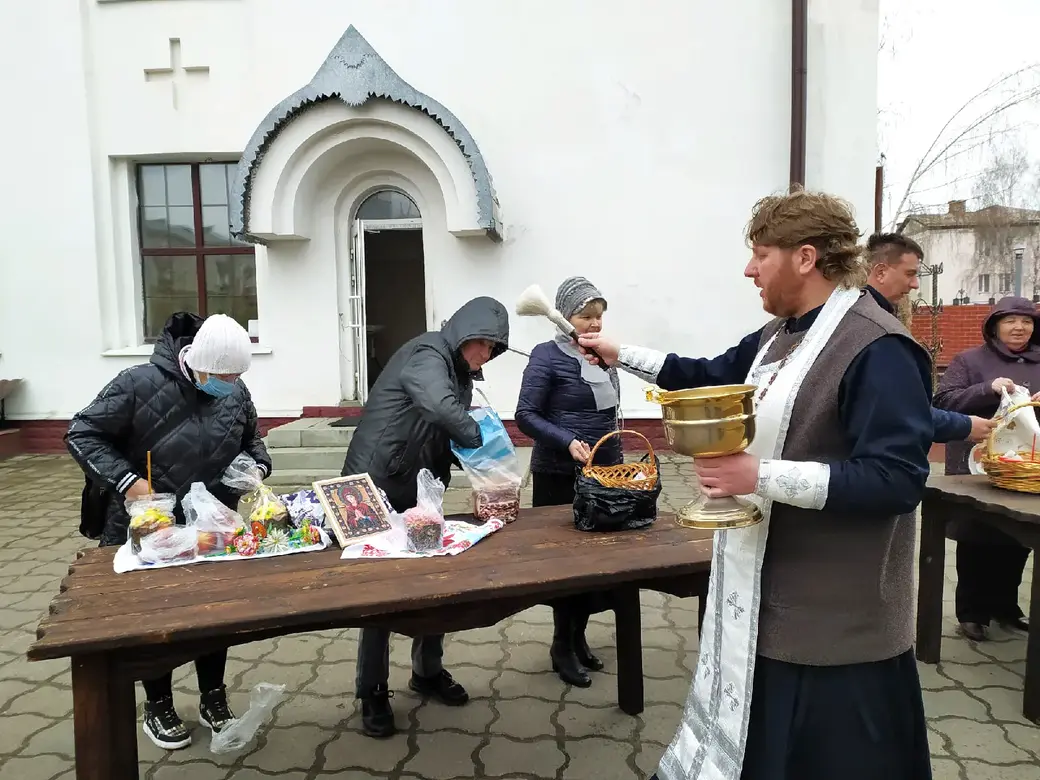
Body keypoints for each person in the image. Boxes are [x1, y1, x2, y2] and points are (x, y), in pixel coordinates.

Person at [579, 190, 934, 780]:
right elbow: (707, 375)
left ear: (805, 257)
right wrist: (618, 353)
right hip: (771, 600)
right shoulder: (781, 334)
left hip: (834, 625)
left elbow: (898, 479)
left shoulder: (877, 347)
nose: (748, 270)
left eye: (759, 254)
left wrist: (758, 475)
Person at [65, 312, 271, 751]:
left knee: (215, 616)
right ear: (196, 361)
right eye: (222, 375)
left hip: (212, 525)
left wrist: (256, 466)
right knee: (156, 619)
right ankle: (158, 703)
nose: (230, 383)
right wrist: (127, 481)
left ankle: (213, 698)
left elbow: (253, 438)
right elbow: (82, 433)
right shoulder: (136, 383)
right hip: (145, 526)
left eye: (237, 375)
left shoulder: (234, 390)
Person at [342, 296, 509, 738]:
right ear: (464, 334)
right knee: (380, 592)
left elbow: (445, 427)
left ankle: (427, 672)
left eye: (494, 349)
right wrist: (483, 436)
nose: (486, 355)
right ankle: (372, 690)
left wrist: (481, 468)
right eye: (483, 344)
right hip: (376, 484)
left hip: (420, 484)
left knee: (435, 584)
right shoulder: (427, 353)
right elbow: (439, 407)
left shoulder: (460, 370)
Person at [515, 276, 621, 689]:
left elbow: (611, 413)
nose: (594, 324)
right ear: (564, 317)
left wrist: (616, 460)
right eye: (585, 316)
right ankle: (562, 645)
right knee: (566, 567)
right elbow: (526, 414)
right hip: (560, 474)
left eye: (599, 316)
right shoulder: (546, 356)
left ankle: (578, 638)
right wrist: (567, 441)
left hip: (605, 473)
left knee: (595, 565)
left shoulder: (603, 355)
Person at [933, 295, 1036, 641]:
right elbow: (943, 402)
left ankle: (1006, 607)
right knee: (977, 535)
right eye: (1010, 321)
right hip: (976, 465)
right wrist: (987, 389)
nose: (1020, 327)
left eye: (1026, 321)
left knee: (1018, 536)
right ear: (994, 326)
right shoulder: (970, 360)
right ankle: (972, 612)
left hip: (1025, 468)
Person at [865, 231, 996, 444]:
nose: (915, 284)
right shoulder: (876, 327)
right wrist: (964, 425)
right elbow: (899, 409)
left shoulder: (870, 316)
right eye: (909, 274)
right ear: (880, 272)